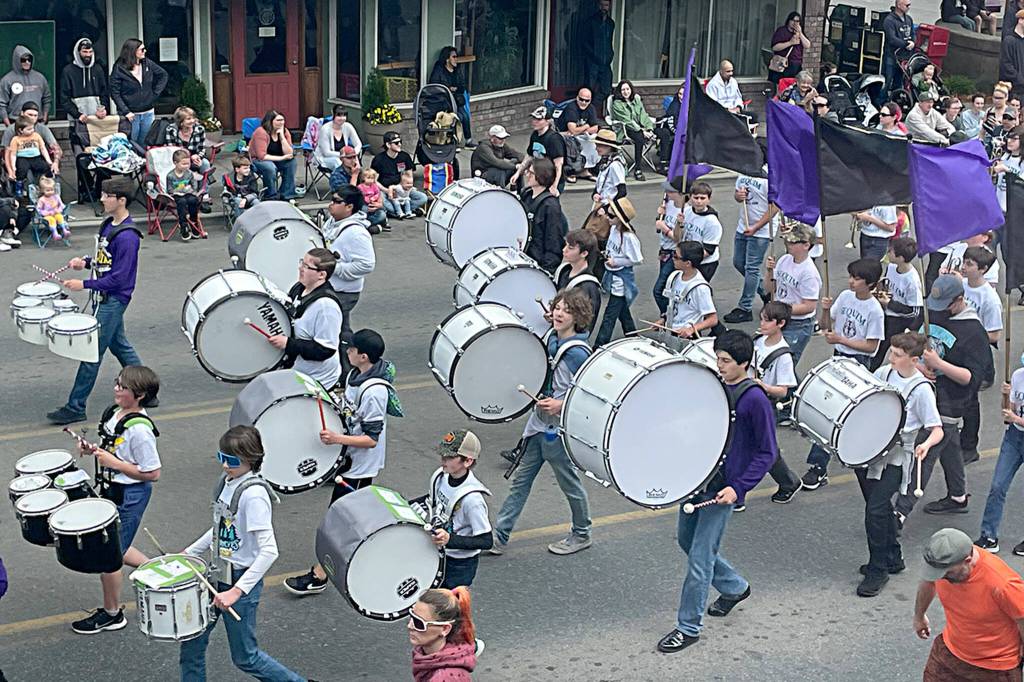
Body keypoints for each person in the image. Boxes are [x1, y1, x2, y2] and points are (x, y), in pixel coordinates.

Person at [656, 330, 777, 654]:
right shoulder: (717, 386)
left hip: (722, 490)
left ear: (745, 363)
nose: (719, 366)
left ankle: (688, 627)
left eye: (725, 361)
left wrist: (738, 489)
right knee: (685, 540)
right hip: (698, 479)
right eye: (718, 359)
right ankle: (735, 587)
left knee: (699, 559)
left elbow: (768, 452)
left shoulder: (755, 399)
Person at [180, 426, 307, 682]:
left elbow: (270, 551)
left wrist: (236, 591)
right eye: (221, 457)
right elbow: (221, 527)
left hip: (238, 580)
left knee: (246, 658)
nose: (225, 465)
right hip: (216, 572)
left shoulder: (254, 496)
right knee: (191, 644)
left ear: (251, 458)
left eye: (232, 460)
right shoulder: (227, 482)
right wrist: (188, 553)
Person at [286, 328, 392, 596]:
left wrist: (336, 438)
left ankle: (320, 575)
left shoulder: (374, 392)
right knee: (353, 518)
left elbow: (370, 439)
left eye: (352, 349)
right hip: (350, 462)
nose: (347, 351)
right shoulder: (355, 375)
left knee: (339, 521)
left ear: (364, 356)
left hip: (359, 467)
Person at [492, 288, 594, 555]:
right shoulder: (551, 339)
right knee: (520, 481)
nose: (559, 313)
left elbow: (590, 391)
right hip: (538, 425)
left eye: (567, 310)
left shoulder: (577, 353)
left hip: (557, 430)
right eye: (558, 307)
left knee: (569, 484)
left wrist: (561, 404)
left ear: (578, 317)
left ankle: (582, 532)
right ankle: (500, 535)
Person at [894, 275, 993, 524]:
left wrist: (940, 365)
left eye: (945, 306)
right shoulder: (933, 312)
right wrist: (919, 366)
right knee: (950, 446)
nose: (937, 312)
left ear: (959, 300)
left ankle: (900, 512)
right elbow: (912, 340)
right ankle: (958, 496)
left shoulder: (973, 331)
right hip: (925, 391)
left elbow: (971, 378)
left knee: (924, 452)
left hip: (952, 401)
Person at [70, 365, 161, 634]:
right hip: (111, 489)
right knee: (114, 541)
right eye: (117, 383)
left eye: (123, 387)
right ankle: (156, 569)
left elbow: (152, 473)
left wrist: (115, 463)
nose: (116, 389)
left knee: (108, 556)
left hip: (131, 495)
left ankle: (112, 613)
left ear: (140, 395)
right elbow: (113, 447)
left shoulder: (141, 431)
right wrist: (94, 450)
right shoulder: (114, 413)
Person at [47, 177, 145, 425]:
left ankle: (76, 406)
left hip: (114, 299)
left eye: (107, 195)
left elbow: (119, 278)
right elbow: (105, 260)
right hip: (105, 297)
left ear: (121, 200)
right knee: (120, 345)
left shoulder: (128, 237)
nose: (102, 199)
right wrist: (86, 262)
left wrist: (84, 284)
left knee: (91, 353)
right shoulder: (108, 225)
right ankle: (148, 390)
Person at [857, 333, 943, 597]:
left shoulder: (921, 389)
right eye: (891, 352)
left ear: (914, 360)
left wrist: (925, 445)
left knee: (875, 510)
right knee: (879, 509)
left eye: (897, 354)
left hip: (897, 455)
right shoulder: (884, 373)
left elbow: (937, 429)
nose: (890, 357)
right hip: (872, 450)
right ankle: (893, 557)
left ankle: (878, 568)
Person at [801, 258, 885, 489]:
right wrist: (826, 311)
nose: (851, 282)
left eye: (856, 279)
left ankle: (821, 465)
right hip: (838, 356)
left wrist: (843, 339)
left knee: (838, 413)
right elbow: (825, 325)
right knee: (828, 409)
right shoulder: (846, 297)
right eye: (851, 276)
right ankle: (823, 461)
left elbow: (871, 346)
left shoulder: (875, 311)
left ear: (870, 284)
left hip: (858, 362)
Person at [913, 528, 1024, 680]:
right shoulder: (942, 564)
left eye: (946, 573)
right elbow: (928, 581)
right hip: (950, 651)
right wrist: (919, 616)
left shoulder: (1003, 584)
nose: (941, 577)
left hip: (994, 667)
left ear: (967, 560)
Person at [421, 430, 492, 589]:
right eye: (443, 455)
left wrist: (450, 540)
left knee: (450, 609)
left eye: (450, 457)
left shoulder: (472, 500)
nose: (443, 460)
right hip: (439, 554)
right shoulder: (442, 477)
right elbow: (433, 499)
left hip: (460, 565)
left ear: (467, 461)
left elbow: (486, 541)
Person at [271, 248, 343, 391]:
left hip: (316, 380)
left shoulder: (326, 307)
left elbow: (325, 349)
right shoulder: (299, 288)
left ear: (321, 275)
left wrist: (289, 344)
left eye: (306, 266)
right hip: (298, 371)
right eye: (301, 263)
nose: (300, 268)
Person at [752, 302, 803, 502]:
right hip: (750, 397)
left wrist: (763, 386)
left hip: (766, 404)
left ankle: (788, 481)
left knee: (765, 449)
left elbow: (783, 390)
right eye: (762, 318)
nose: (762, 324)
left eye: (767, 320)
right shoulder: (758, 341)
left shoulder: (783, 356)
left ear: (780, 323)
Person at [959, 246, 1003, 463]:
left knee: (969, 401)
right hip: (958, 349)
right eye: (964, 262)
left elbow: (994, 334)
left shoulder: (990, 299)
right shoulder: (961, 286)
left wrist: (970, 336)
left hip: (975, 354)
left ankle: (969, 446)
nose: (964, 267)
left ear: (983, 269)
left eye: (969, 264)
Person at [977, 359, 1024, 554]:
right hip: (1014, 437)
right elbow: (1007, 412)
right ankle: (989, 535)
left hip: (1018, 426)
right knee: (998, 486)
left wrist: (1016, 419)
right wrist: (1005, 397)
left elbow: (1012, 417)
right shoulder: (1018, 376)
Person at [323, 185, 375, 365]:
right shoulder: (333, 222)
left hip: (344, 292)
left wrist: (333, 268)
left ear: (349, 207)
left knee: (339, 333)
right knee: (337, 330)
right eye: (332, 199)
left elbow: (366, 265)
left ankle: (348, 369)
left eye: (337, 201)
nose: (331, 204)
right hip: (332, 288)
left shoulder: (356, 233)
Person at [723, 164, 775, 323]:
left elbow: (775, 207)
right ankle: (765, 292)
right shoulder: (744, 171)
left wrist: (756, 227)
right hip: (744, 225)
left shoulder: (769, 176)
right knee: (738, 262)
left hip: (761, 230)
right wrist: (738, 196)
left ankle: (745, 307)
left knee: (751, 267)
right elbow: (737, 195)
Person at [764, 222, 820, 367]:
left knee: (785, 366)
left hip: (798, 324)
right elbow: (770, 288)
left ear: (806, 245)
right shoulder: (784, 260)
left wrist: (781, 309)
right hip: (780, 317)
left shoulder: (809, 273)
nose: (788, 244)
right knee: (773, 363)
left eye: (792, 242)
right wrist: (769, 271)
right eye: (787, 240)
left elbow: (809, 306)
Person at [595, 197, 642, 346]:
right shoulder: (614, 230)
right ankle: (632, 334)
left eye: (611, 216)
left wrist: (617, 261)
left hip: (621, 279)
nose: (607, 217)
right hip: (612, 274)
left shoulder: (629, 237)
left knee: (609, 315)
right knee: (622, 311)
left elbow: (637, 259)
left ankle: (600, 344)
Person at [874, 236, 924, 370]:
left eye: (890, 251)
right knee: (876, 343)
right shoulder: (891, 267)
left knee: (882, 347)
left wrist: (890, 304)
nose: (887, 252)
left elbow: (914, 311)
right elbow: (887, 284)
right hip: (885, 313)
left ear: (901, 258)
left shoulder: (912, 281)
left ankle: (872, 370)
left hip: (898, 320)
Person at [409, 588, 477, 681]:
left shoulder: (444, 678)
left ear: (445, 629)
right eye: (412, 616)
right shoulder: (429, 656)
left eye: (419, 623)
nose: (410, 626)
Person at [109, 38, 167, 147]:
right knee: (131, 143)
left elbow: (163, 75)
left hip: (148, 111)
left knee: (146, 142)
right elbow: (114, 92)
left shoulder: (147, 63)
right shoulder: (119, 68)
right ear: (133, 51)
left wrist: (155, 93)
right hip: (131, 114)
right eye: (142, 49)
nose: (145, 51)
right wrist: (126, 111)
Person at [663, 240, 719, 340]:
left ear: (688, 263)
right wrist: (664, 320)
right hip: (671, 331)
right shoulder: (675, 277)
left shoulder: (700, 288)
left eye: (676, 256)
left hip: (688, 337)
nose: (672, 258)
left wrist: (691, 329)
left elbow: (713, 319)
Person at [520, 158, 567, 274]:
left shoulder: (550, 206)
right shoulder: (527, 194)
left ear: (542, 175)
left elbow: (553, 240)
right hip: (524, 256)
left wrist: (546, 271)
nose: (527, 175)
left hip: (538, 262)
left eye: (531, 173)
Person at [554, 229, 603, 332]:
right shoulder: (563, 271)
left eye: (570, 248)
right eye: (565, 245)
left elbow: (587, 323)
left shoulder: (588, 286)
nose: (564, 250)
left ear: (584, 253)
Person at [512, 106, 566, 194]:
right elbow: (529, 156)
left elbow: (558, 165)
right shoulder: (535, 135)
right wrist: (518, 173)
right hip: (538, 178)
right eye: (533, 118)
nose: (534, 122)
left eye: (539, 119)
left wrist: (554, 186)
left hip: (551, 179)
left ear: (547, 121)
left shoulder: (554, 139)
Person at [371, 131, 428, 214]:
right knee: (382, 201)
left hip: (402, 189)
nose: (400, 144)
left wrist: (409, 186)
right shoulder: (379, 159)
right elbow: (374, 180)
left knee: (423, 198)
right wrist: (387, 190)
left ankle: (399, 211)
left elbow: (409, 175)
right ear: (388, 145)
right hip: (385, 189)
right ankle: (405, 210)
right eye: (396, 143)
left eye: (400, 142)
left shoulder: (404, 156)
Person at [609, 80, 655, 181]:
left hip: (641, 128)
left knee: (663, 133)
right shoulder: (617, 103)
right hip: (626, 129)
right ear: (619, 92)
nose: (625, 92)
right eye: (623, 90)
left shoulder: (636, 100)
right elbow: (627, 121)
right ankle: (638, 169)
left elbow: (643, 115)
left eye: (627, 89)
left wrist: (649, 128)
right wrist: (643, 131)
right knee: (639, 138)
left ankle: (664, 165)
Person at [429, 46, 474, 147]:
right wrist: (448, 89)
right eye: (454, 57)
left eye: (456, 57)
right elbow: (434, 85)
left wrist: (456, 89)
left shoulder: (457, 70)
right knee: (457, 117)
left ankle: (468, 140)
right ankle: (454, 141)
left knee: (465, 117)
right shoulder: (439, 69)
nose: (456, 59)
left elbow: (462, 86)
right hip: (445, 101)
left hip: (457, 99)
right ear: (447, 58)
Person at [249, 109, 298, 200]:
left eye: (282, 120)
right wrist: (283, 157)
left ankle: (286, 193)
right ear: (270, 121)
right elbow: (261, 156)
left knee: (291, 162)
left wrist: (282, 137)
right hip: (258, 160)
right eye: (278, 120)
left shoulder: (285, 131)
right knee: (270, 167)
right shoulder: (261, 132)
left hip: (277, 159)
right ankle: (270, 195)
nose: (281, 123)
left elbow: (289, 153)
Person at [653, 177, 685, 316]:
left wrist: (665, 228)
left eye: (670, 191)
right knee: (667, 288)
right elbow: (658, 227)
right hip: (664, 251)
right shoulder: (669, 204)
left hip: (674, 253)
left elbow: (679, 238)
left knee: (659, 290)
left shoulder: (685, 211)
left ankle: (668, 315)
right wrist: (659, 216)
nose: (667, 193)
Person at [680, 181, 723, 283]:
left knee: (698, 289)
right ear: (690, 197)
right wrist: (678, 223)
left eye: (702, 198)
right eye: (696, 198)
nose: (699, 201)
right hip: (688, 259)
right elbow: (678, 236)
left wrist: (689, 261)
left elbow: (708, 250)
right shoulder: (686, 212)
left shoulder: (712, 222)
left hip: (705, 263)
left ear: (709, 199)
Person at [60, 38, 110, 122]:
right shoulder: (68, 71)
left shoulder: (98, 69)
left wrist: (103, 109)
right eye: (85, 52)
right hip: (77, 119)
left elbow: (104, 93)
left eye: (90, 52)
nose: (88, 55)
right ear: (78, 52)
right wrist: (77, 114)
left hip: (97, 118)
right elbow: (64, 98)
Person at [580, 0, 615, 114]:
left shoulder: (611, 23)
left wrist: (611, 54)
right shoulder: (590, 22)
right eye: (602, 5)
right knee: (588, 89)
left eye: (607, 5)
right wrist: (593, 55)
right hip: (592, 62)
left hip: (605, 63)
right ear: (598, 6)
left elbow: (610, 41)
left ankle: (591, 111)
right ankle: (584, 115)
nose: (604, 8)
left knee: (606, 89)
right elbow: (583, 41)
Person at [0, 46, 51, 125]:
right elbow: (2, 104)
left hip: (38, 121)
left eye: (29, 60)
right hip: (16, 121)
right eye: (23, 60)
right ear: (17, 61)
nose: (27, 62)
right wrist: (8, 124)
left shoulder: (40, 78)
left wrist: (44, 118)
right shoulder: (6, 80)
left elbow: (47, 99)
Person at [556, 87, 600, 175]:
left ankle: (586, 169)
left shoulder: (591, 108)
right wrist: (587, 126)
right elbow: (573, 130)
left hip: (581, 135)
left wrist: (582, 130)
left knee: (592, 141)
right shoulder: (571, 108)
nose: (583, 102)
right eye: (581, 99)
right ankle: (572, 170)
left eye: (586, 100)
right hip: (564, 134)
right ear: (577, 98)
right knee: (574, 143)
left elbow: (595, 128)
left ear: (590, 100)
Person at [6, 115, 56, 185]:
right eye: (29, 129)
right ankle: (19, 187)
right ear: (21, 130)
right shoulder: (16, 139)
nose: (32, 131)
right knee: (21, 171)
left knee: (46, 168)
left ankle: (48, 183)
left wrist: (48, 160)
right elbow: (13, 154)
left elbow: (43, 148)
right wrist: (13, 166)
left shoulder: (36, 136)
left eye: (32, 128)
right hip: (22, 158)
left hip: (36, 157)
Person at [314, 104, 363, 171]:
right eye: (339, 115)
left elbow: (358, 144)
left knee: (354, 162)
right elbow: (326, 153)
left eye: (344, 115)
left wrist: (354, 153)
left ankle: (356, 179)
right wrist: (344, 155)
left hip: (345, 157)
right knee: (339, 162)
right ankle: (343, 180)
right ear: (333, 115)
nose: (342, 118)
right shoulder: (325, 129)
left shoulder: (348, 126)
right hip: (326, 158)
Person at [164, 106, 210, 176]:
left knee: (205, 163)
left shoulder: (200, 129)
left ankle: (204, 185)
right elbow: (172, 150)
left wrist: (198, 157)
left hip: (195, 156)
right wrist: (188, 158)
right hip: (178, 158)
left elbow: (201, 149)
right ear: (180, 121)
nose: (192, 121)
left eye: (193, 118)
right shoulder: (171, 130)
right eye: (188, 119)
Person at [166, 149, 200, 241]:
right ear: (175, 163)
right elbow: (169, 189)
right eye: (183, 164)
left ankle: (193, 221)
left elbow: (194, 186)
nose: (186, 166)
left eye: (188, 164)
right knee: (182, 201)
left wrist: (190, 189)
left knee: (193, 200)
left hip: (187, 193)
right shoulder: (170, 175)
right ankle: (183, 224)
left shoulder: (189, 173)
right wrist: (177, 190)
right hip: (176, 195)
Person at [882, 0, 915, 96]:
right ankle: (881, 102)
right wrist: (905, 44)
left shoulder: (909, 19)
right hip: (891, 55)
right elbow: (892, 39)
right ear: (899, 5)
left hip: (904, 57)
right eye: (907, 5)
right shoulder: (889, 20)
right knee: (887, 81)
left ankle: (896, 100)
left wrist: (913, 42)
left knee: (899, 81)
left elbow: (913, 33)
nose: (909, 7)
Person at [769, 12, 811, 84]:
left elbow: (807, 45)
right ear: (788, 21)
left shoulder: (799, 33)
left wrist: (800, 33)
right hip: (782, 64)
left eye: (797, 21)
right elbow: (775, 47)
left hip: (795, 64)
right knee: (781, 85)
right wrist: (790, 43)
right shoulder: (781, 31)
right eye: (793, 20)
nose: (795, 23)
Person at [591, 128, 626, 205]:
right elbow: (599, 186)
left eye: (600, 146)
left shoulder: (615, 165)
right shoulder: (604, 162)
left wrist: (608, 208)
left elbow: (622, 192)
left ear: (609, 147)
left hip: (608, 209)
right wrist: (595, 194)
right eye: (596, 145)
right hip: (600, 205)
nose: (596, 148)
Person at [654, 84, 685, 171]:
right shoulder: (674, 106)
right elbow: (671, 124)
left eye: (684, 94)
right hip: (670, 129)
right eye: (680, 94)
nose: (681, 97)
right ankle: (665, 164)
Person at [222, 155, 261, 220]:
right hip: (235, 200)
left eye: (248, 168)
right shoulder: (229, 178)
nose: (248, 170)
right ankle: (241, 225)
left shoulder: (251, 177)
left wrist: (245, 199)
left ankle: (256, 222)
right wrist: (227, 196)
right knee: (238, 200)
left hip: (249, 199)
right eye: (245, 168)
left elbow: (255, 193)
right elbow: (226, 191)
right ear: (237, 169)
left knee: (256, 202)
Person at [36, 176, 69, 241]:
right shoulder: (42, 199)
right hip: (47, 216)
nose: (50, 192)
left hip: (56, 213)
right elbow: (38, 210)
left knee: (60, 217)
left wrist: (58, 210)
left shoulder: (56, 197)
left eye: (52, 190)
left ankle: (64, 229)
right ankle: (55, 233)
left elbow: (62, 205)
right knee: (51, 220)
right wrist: (47, 213)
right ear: (42, 190)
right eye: (48, 190)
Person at [1001, 10, 1024, 99]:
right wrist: (1020, 79)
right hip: (1015, 89)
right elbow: (1006, 64)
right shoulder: (1009, 40)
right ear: (1020, 20)